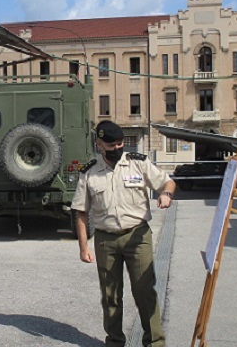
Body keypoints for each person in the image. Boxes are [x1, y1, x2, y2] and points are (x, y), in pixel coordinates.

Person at [71, 120, 175, 347]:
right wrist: (83, 247)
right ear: (99, 144)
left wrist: (166, 194)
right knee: (111, 295)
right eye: (112, 145)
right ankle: (115, 341)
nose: (117, 149)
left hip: (137, 236)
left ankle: (155, 342)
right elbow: (81, 212)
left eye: (120, 144)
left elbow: (168, 182)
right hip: (105, 240)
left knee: (144, 290)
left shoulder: (139, 163)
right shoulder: (89, 173)